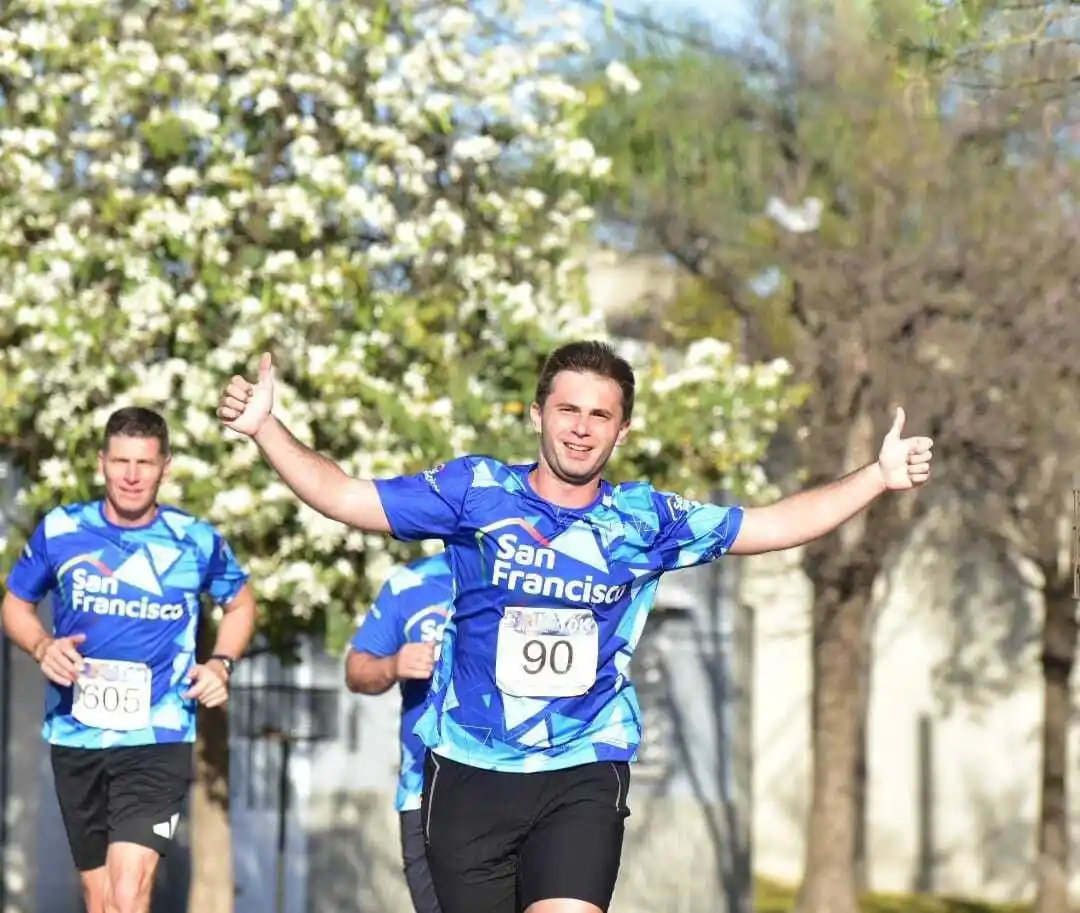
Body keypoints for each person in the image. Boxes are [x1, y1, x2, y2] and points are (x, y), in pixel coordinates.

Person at [217, 341, 933, 913]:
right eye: (568, 410)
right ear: (538, 414)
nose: (581, 427)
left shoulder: (644, 520)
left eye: (600, 415)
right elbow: (343, 496)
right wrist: (266, 430)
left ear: (622, 428)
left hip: (582, 764)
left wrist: (876, 475)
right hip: (468, 768)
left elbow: (773, 524)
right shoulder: (474, 492)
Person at [1, 407, 258, 913]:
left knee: (129, 890)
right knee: (100, 899)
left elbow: (241, 604)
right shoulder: (62, 530)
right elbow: (15, 604)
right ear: (102, 463)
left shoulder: (196, 541)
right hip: (77, 731)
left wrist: (221, 663)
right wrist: (41, 646)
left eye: (144, 462)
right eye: (121, 461)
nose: (132, 475)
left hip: (158, 734)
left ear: (166, 465)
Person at [345, 553, 452, 913]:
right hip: (423, 790)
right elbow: (357, 669)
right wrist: (393, 664)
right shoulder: (411, 583)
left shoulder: (537, 576)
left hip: (518, 783)